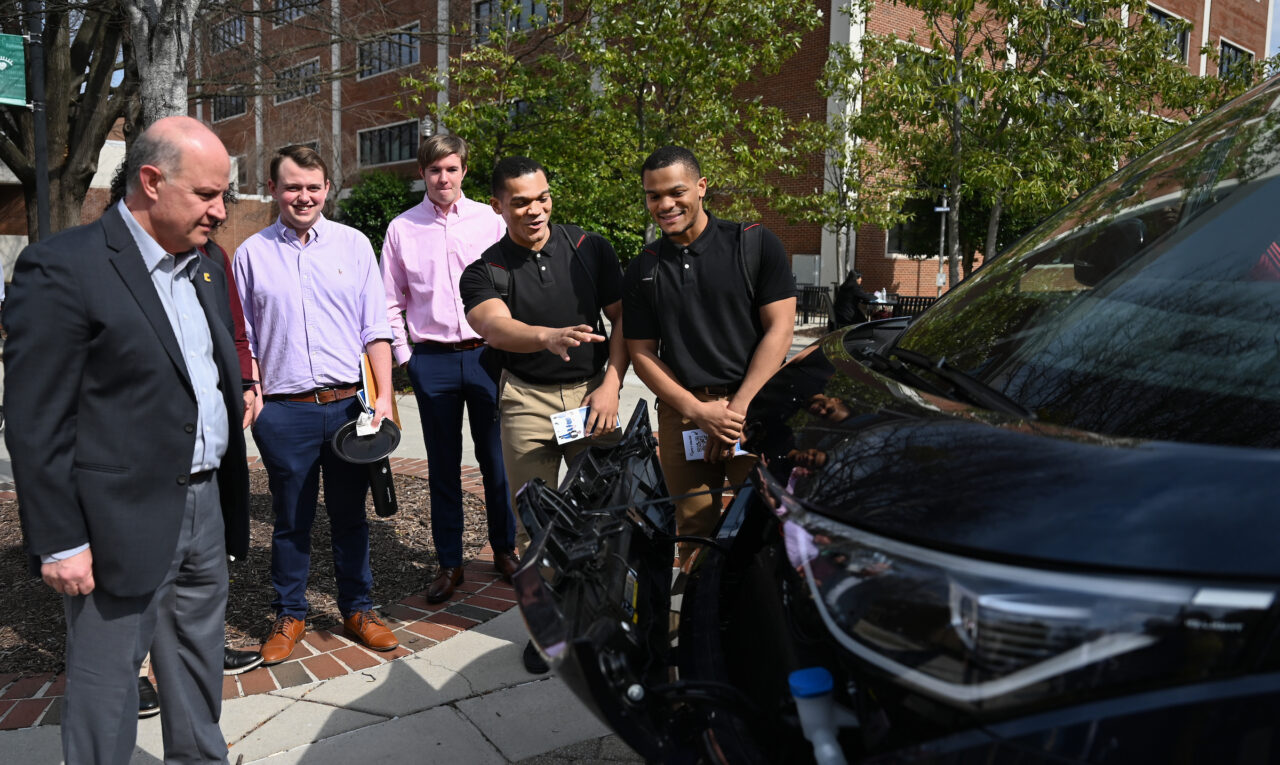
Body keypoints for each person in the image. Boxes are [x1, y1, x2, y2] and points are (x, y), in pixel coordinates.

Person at [4, 116, 251, 764]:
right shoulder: (65, 267)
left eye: (224, 195)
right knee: (107, 686)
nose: (221, 211)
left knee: (197, 665)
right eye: (207, 195)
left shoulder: (206, 266)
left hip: (205, 507)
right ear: (151, 180)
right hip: (116, 521)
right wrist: (60, 539)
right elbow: (35, 420)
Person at [459, 156, 629, 673]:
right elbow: (493, 326)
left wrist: (611, 385)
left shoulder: (589, 247)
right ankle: (547, 628)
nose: (535, 210)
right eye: (521, 203)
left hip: (592, 397)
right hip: (526, 401)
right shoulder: (485, 270)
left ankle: (605, 618)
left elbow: (625, 320)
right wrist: (545, 337)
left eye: (543, 197)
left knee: (604, 513)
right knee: (536, 523)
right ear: (497, 206)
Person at [235, 145, 398, 664]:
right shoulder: (251, 254)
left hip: (350, 408)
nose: (303, 197)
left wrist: (385, 397)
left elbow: (376, 328)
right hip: (284, 413)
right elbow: (245, 336)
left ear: (327, 188)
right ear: (273, 189)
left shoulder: (354, 245)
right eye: (292, 187)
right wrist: (255, 394)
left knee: (351, 516)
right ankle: (290, 613)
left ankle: (359, 609)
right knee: (290, 520)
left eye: (312, 187)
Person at [623, 146, 797, 564]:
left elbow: (780, 329)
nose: (665, 204)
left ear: (701, 187)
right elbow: (641, 354)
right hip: (684, 415)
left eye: (676, 192)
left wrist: (735, 411)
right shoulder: (644, 267)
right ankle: (693, 603)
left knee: (768, 528)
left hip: (753, 412)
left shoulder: (753, 243)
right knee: (693, 533)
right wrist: (699, 412)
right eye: (653, 195)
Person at [380, 135, 519, 604]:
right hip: (432, 361)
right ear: (422, 173)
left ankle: (504, 550)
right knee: (443, 468)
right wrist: (407, 360)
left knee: (497, 462)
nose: (443, 178)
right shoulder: (402, 229)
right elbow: (389, 301)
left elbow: (512, 285)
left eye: (452, 169)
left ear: (464, 171)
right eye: (435, 170)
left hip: (487, 357)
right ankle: (449, 563)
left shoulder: (490, 221)